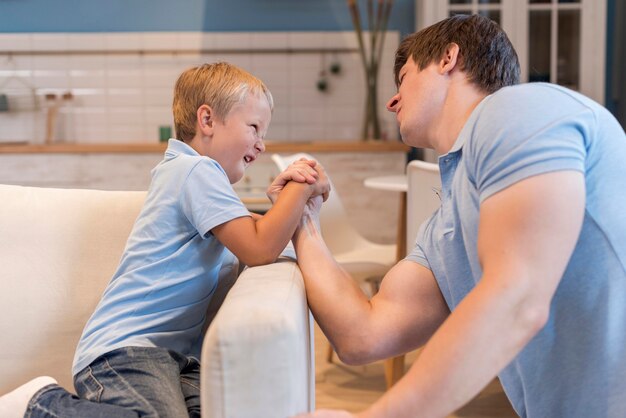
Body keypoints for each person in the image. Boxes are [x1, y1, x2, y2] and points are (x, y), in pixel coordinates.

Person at [291, 14, 626, 418]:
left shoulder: (517, 109)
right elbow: (363, 335)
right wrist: (304, 219)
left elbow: (517, 298)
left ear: (448, 57)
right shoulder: (446, 227)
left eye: (404, 77)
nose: (392, 101)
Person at [0, 62, 329, 417]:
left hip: (177, 359)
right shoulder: (194, 171)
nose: (261, 145)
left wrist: (283, 204)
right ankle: (40, 405)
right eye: (254, 128)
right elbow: (260, 247)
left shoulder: (196, 178)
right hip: (126, 350)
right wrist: (302, 184)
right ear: (207, 121)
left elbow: (263, 235)